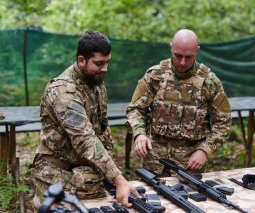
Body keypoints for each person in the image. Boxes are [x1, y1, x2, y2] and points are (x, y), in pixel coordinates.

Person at [32, 31, 139, 209]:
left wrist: (106, 171)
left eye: (107, 62)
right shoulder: (64, 91)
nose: (105, 68)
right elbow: (85, 139)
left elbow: (101, 128)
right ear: (81, 60)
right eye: (99, 63)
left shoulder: (95, 82)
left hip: (85, 176)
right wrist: (118, 178)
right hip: (56, 178)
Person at [126, 29, 231, 176]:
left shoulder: (209, 82)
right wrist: (139, 134)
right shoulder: (155, 76)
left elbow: (223, 122)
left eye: (189, 57)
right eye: (178, 55)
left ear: (197, 51)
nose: (182, 62)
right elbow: (135, 109)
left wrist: (205, 150)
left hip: (190, 164)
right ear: (170, 48)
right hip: (154, 162)